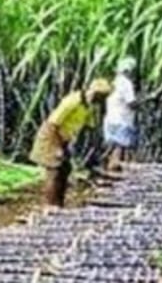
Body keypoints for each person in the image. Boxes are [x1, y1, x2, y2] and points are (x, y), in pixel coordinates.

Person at [30, 78, 112, 208]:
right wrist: (57, 147)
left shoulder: (89, 106)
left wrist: (94, 154)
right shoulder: (73, 100)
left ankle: (59, 203)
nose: (102, 101)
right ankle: (49, 205)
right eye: (101, 97)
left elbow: (89, 128)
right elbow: (53, 123)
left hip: (64, 139)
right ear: (95, 93)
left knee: (65, 169)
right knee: (54, 171)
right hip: (51, 136)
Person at [102, 57, 139, 174]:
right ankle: (115, 175)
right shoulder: (126, 83)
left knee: (113, 148)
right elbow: (131, 104)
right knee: (120, 149)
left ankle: (108, 171)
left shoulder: (114, 81)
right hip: (122, 121)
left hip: (110, 120)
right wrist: (148, 99)